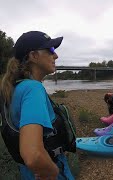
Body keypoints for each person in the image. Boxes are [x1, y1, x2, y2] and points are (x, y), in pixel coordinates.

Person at [0, 31, 75, 179]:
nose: (56, 55)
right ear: (34, 56)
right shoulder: (32, 89)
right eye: (51, 50)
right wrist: (53, 172)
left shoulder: (15, 88)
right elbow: (33, 154)